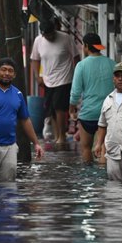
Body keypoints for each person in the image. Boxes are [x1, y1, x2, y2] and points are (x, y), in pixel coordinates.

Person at [30, 15, 80, 146]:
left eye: (52, 34)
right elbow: (35, 59)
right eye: (47, 35)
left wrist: (77, 75)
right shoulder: (38, 41)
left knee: (60, 107)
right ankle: (57, 135)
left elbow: (76, 57)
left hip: (65, 78)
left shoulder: (66, 38)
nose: (50, 37)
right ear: (43, 34)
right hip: (47, 79)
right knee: (51, 109)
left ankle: (62, 137)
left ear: (55, 30)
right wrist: (37, 76)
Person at [69, 32, 116, 165]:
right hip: (108, 112)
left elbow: (75, 92)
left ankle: (89, 178)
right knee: (104, 148)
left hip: (88, 114)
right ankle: (104, 179)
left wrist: (71, 108)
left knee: (86, 148)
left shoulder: (81, 66)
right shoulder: (112, 64)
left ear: (86, 46)